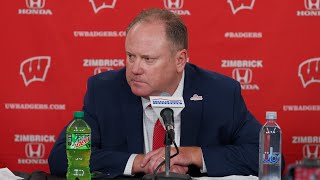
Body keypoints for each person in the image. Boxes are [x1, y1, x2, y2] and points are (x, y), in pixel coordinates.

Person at [49, 8, 262, 178]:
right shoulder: (104, 91)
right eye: (131, 56)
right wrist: (139, 162)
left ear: (180, 60)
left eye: (148, 59)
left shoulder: (220, 92)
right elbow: (62, 157)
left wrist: (194, 155)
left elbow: (266, 156)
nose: (134, 68)